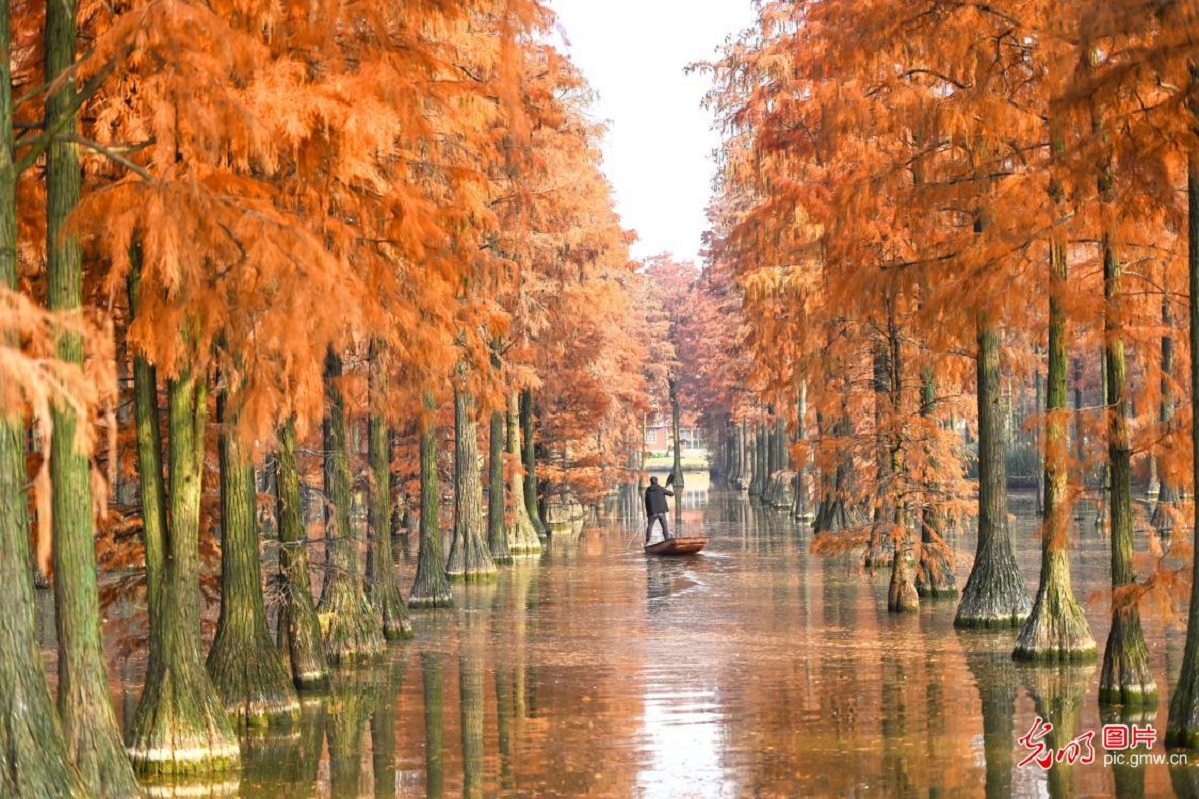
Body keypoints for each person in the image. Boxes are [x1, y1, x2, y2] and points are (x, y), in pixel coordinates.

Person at [644, 475, 675, 544]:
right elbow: (672, 494)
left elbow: (646, 502)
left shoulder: (648, 490)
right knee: (664, 526)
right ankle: (667, 540)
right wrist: (670, 487)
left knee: (650, 527)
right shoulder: (661, 489)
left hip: (652, 513)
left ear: (651, 482)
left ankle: (647, 542)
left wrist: (648, 514)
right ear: (657, 481)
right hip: (661, 512)